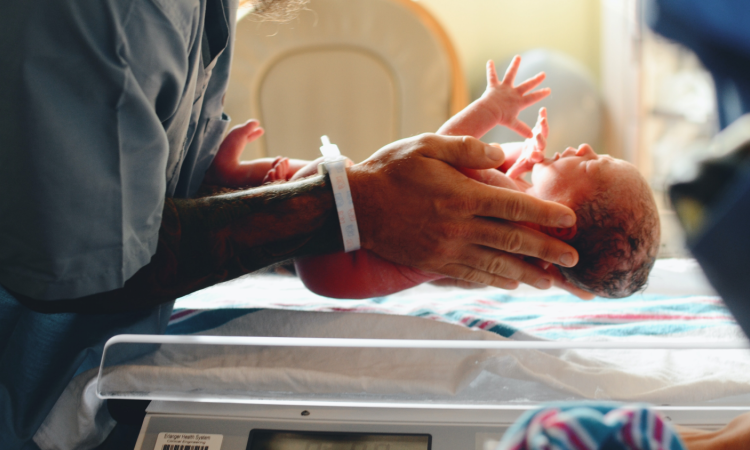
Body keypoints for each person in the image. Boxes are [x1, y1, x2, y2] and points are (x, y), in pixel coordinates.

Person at [0, 1, 581, 448]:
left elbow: (119, 195)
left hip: (99, 356)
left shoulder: (200, 15)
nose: (581, 149)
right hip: (31, 388)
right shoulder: (123, 16)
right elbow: (89, 261)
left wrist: (215, 190)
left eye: (592, 166)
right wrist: (350, 205)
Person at [286, 60, 660, 299]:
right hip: (338, 271)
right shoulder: (522, 241)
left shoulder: (508, 213)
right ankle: (250, 177)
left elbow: (440, 154)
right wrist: (524, 163)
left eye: (593, 166)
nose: (586, 148)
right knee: (319, 173)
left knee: (322, 171)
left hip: (339, 257)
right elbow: (493, 182)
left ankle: (255, 178)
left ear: (562, 225)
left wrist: (492, 108)